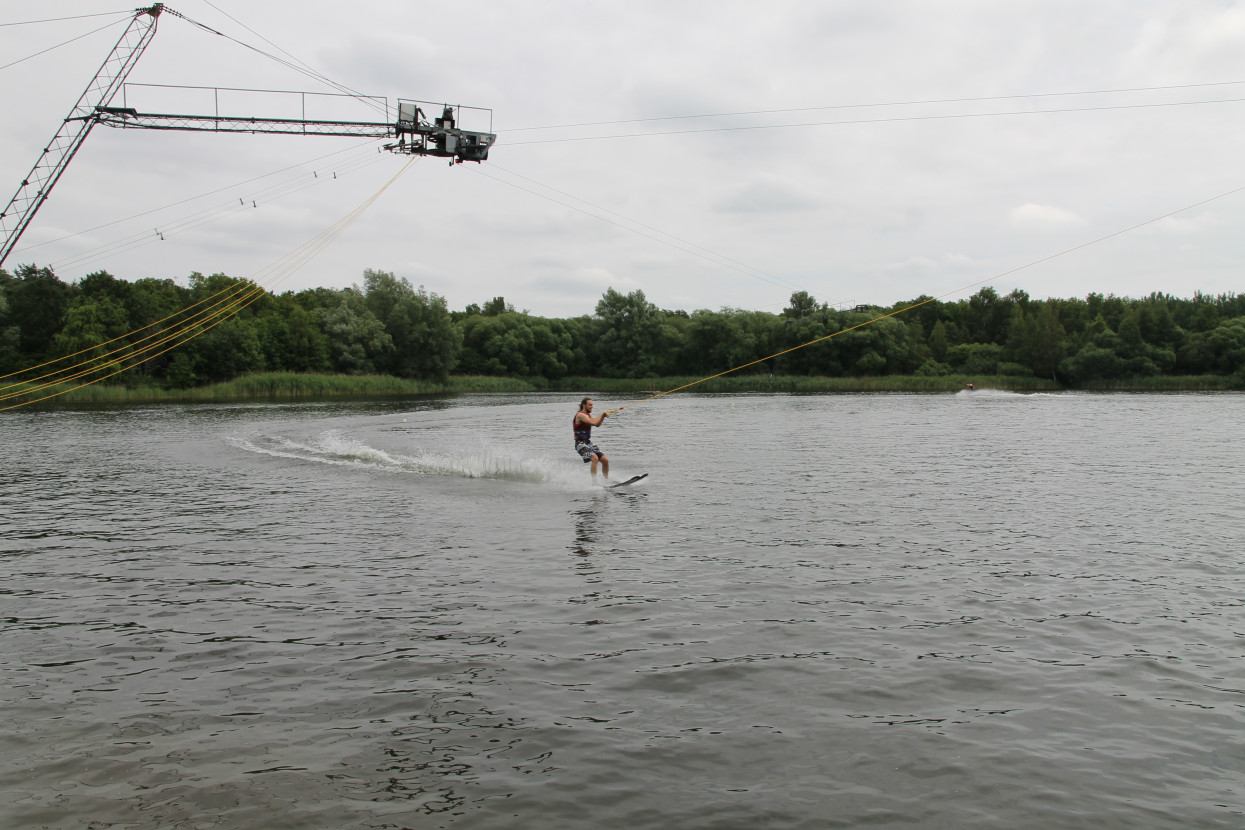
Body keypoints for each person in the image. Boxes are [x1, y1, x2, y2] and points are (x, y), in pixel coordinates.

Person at [573, 397, 610, 483]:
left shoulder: (589, 415)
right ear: (584, 405)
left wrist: (603, 417)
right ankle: (594, 481)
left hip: (588, 443)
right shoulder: (580, 415)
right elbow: (592, 422)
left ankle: (606, 481)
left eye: (592, 405)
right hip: (579, 444)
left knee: (605, 460)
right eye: (590, 405)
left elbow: (597, 424)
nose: (592, 406)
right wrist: (602, 414)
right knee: (595, 458)